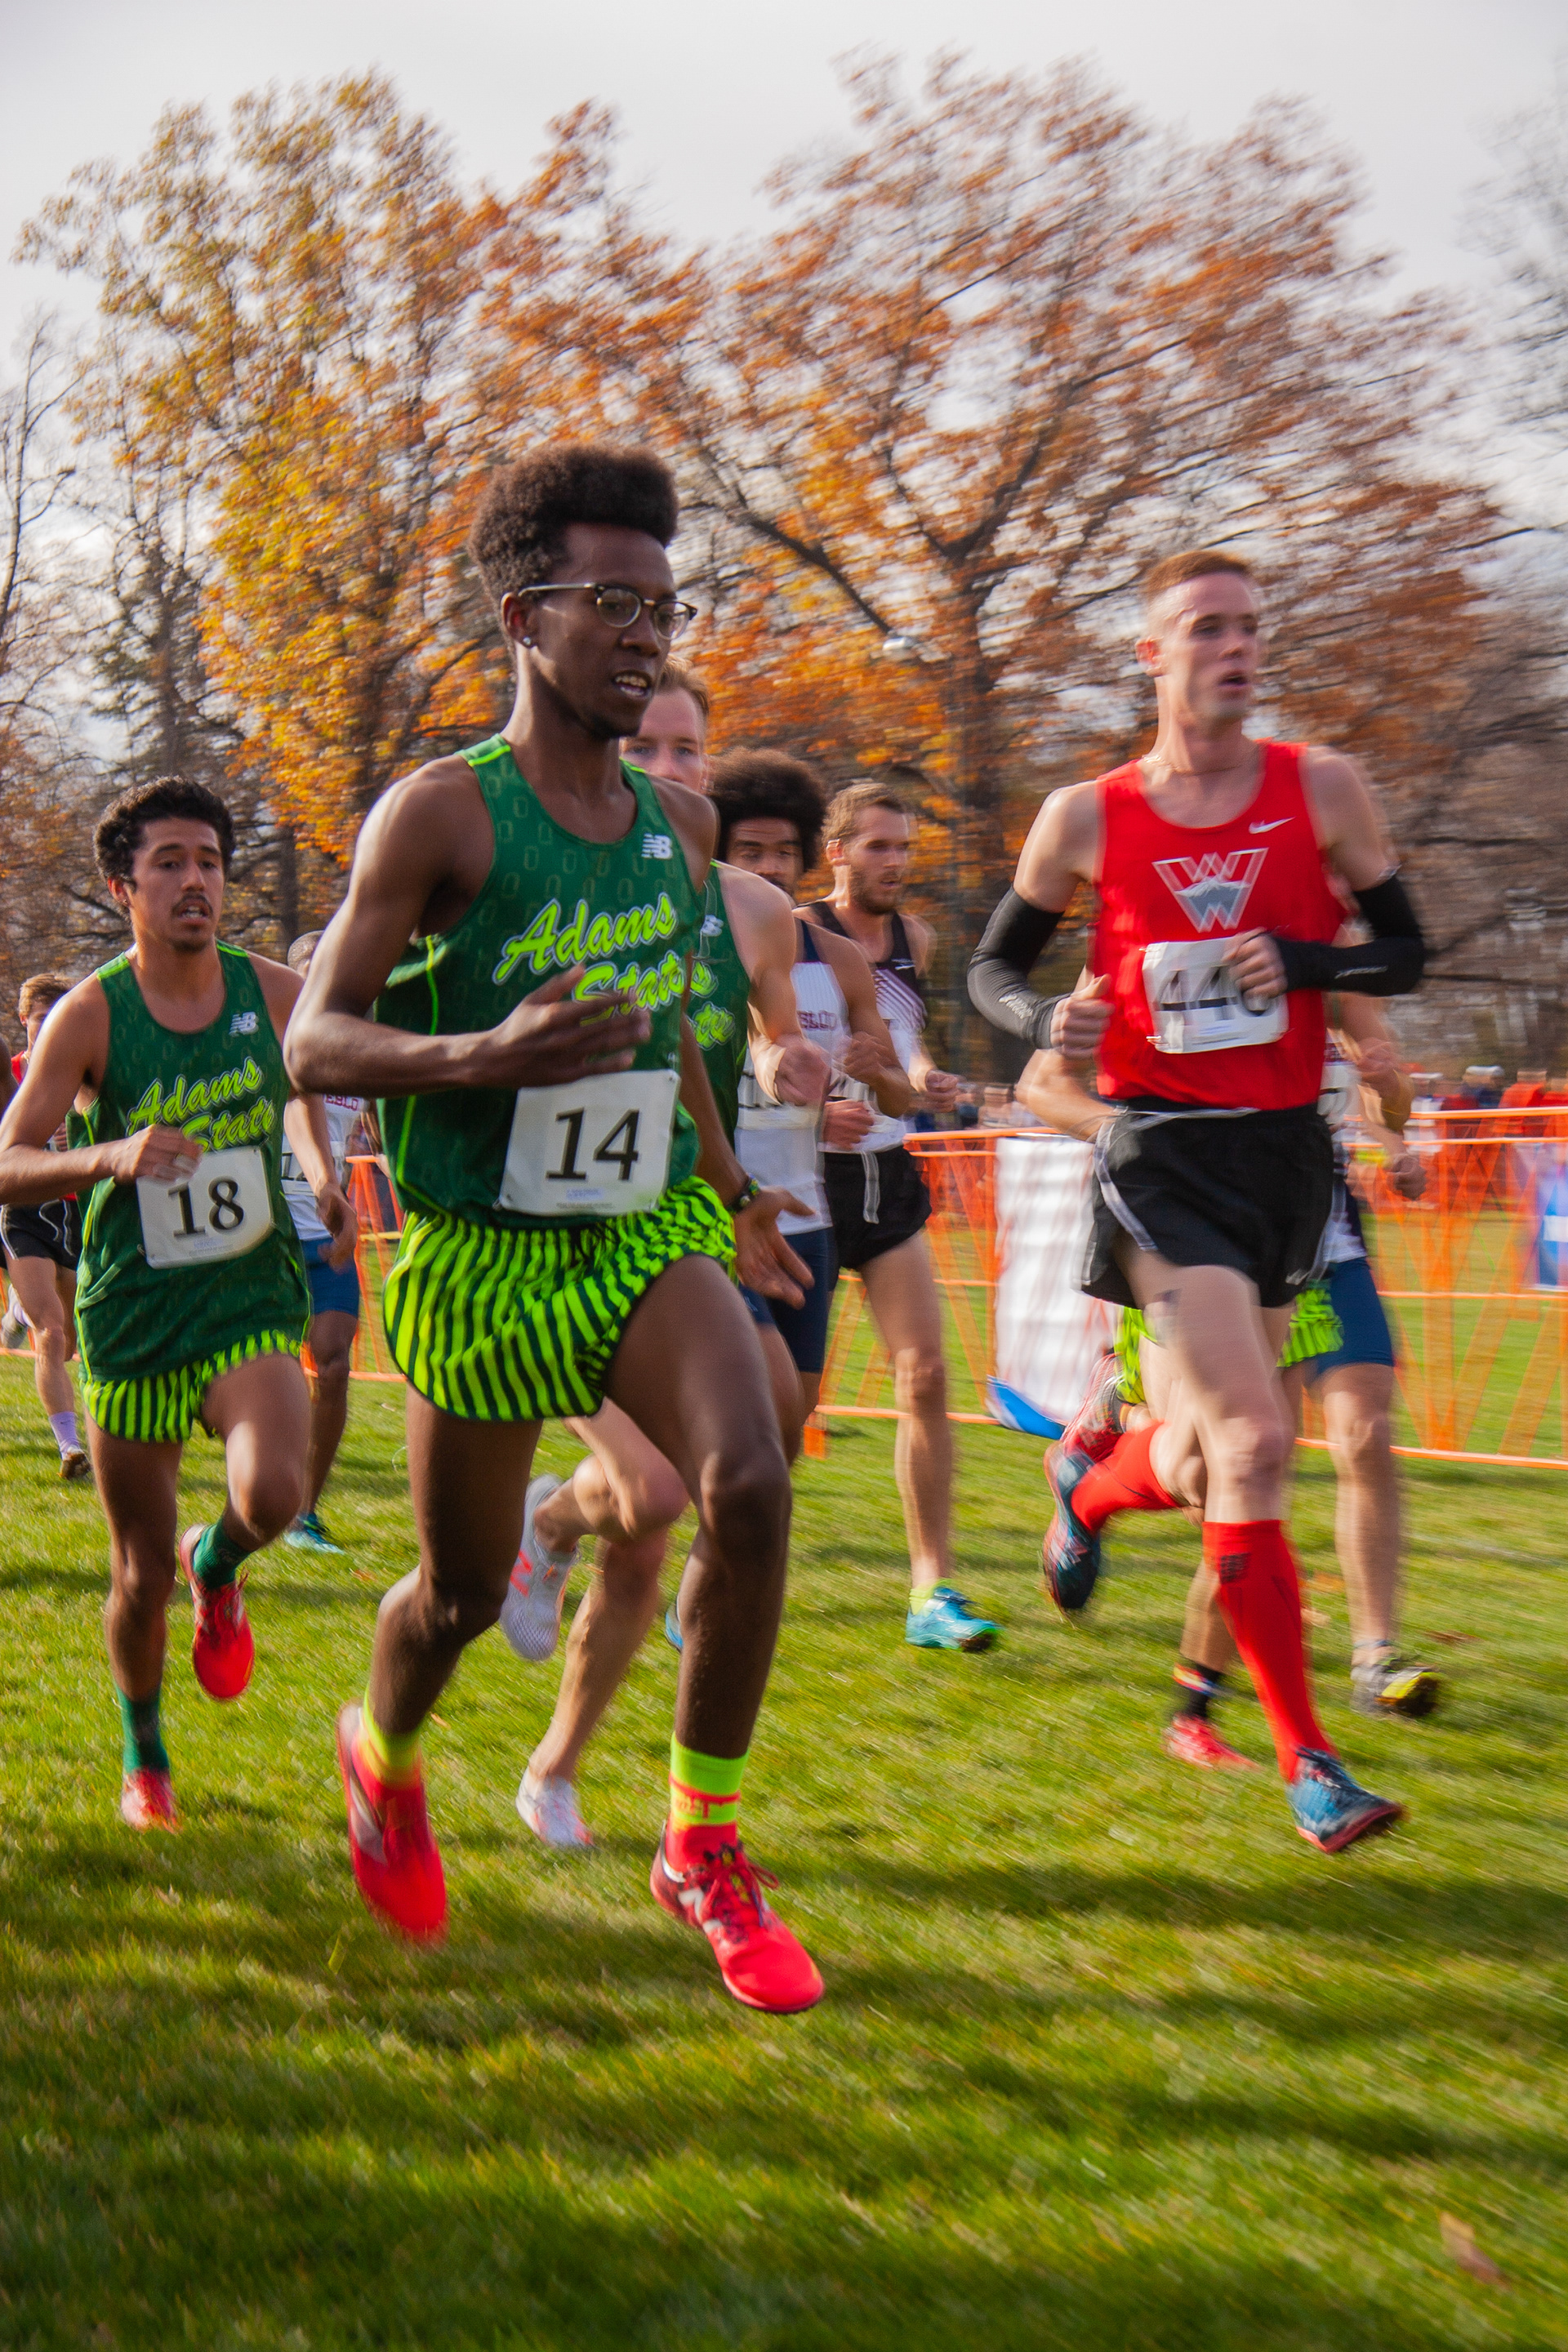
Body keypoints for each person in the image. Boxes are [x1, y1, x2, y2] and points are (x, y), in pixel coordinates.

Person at [286, 441, 824, 2012]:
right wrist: (482, 1055)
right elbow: (315, 1040)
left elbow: (669, 1038)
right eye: (615, 603)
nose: (649, 634)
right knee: (458, 1596)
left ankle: (702, 1845)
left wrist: (730, 1191)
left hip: (637, 1231)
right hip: (479, 1253)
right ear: (527, 617)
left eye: (666, 605)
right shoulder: (441, 817)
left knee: (750, 1478)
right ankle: (383, 1755)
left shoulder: (680, 830)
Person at [969, 545, 1427, 1853]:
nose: (1236, 649)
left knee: (1194, 1457)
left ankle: (1088, 1487)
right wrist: (1042, 1017)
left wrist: (1299, 959)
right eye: (1209, 628)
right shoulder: (1087, 815)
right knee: (1258, 1441)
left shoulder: (1320, 787)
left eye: (1249, 629)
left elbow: (1404, 952)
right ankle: (1309, 1762)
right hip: (1160, 1155)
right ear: (1153, 655)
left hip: (1285, 1159)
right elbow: (992, 974)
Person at [505, 695, 832, 1853]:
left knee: (752, 1445)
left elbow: (763, 1037)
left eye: (687, 747)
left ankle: (556, 1766)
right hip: (559, 1229)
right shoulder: (538, 872)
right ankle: (553, 1519)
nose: (665, 765)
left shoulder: (753, 908)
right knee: (646, 1496)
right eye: (643, 743)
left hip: (690, 1222)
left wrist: (790, 1063)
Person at [0, 777, 356, 1832]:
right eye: (170, 863)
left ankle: (222, 1560)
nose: (196, 881)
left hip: (247, 1297)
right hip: (136, 1316)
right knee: (137, 1571)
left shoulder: (275, 991)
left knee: (276, 1491)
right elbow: (10, 1158)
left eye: (209, 861)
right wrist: (108, 1154)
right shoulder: (91, 1014)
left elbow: (306, 1087)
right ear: (124, 887)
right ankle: (145, 1751)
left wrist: (320, 1171)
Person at [802, 784, 995, 1649]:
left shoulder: (915, 938)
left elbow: (902, 1046)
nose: (896, 862)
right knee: (783, 1405)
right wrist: (815, 1112)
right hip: (803, 1176)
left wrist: (927, 1080)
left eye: (905, 847)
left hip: (887, 1172)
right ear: (837, 851)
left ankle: (931, 1592)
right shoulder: (795, 931)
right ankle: (708, 1575)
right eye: (878, 845)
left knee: (925, 1374)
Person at [279, 930, 364, 1553]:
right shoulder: (267, 1043)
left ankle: (304, 1513)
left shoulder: (354, 1052)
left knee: (332, 1367)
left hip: (326, 1235)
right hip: (266, 1237)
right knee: (271, 1372)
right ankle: (263, 1489)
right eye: (308, 967)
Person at [2, 976, 91, 1480]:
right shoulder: (10, 1073)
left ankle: (16, 1311)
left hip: (75, 1211)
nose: (52, 1026)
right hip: (22, 1210)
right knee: (51, 1332)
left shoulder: (84, 1073)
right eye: (41, 1018)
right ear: (24, 1020)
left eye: (60, 1016)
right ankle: (69, 1447)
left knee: (71, 1339)